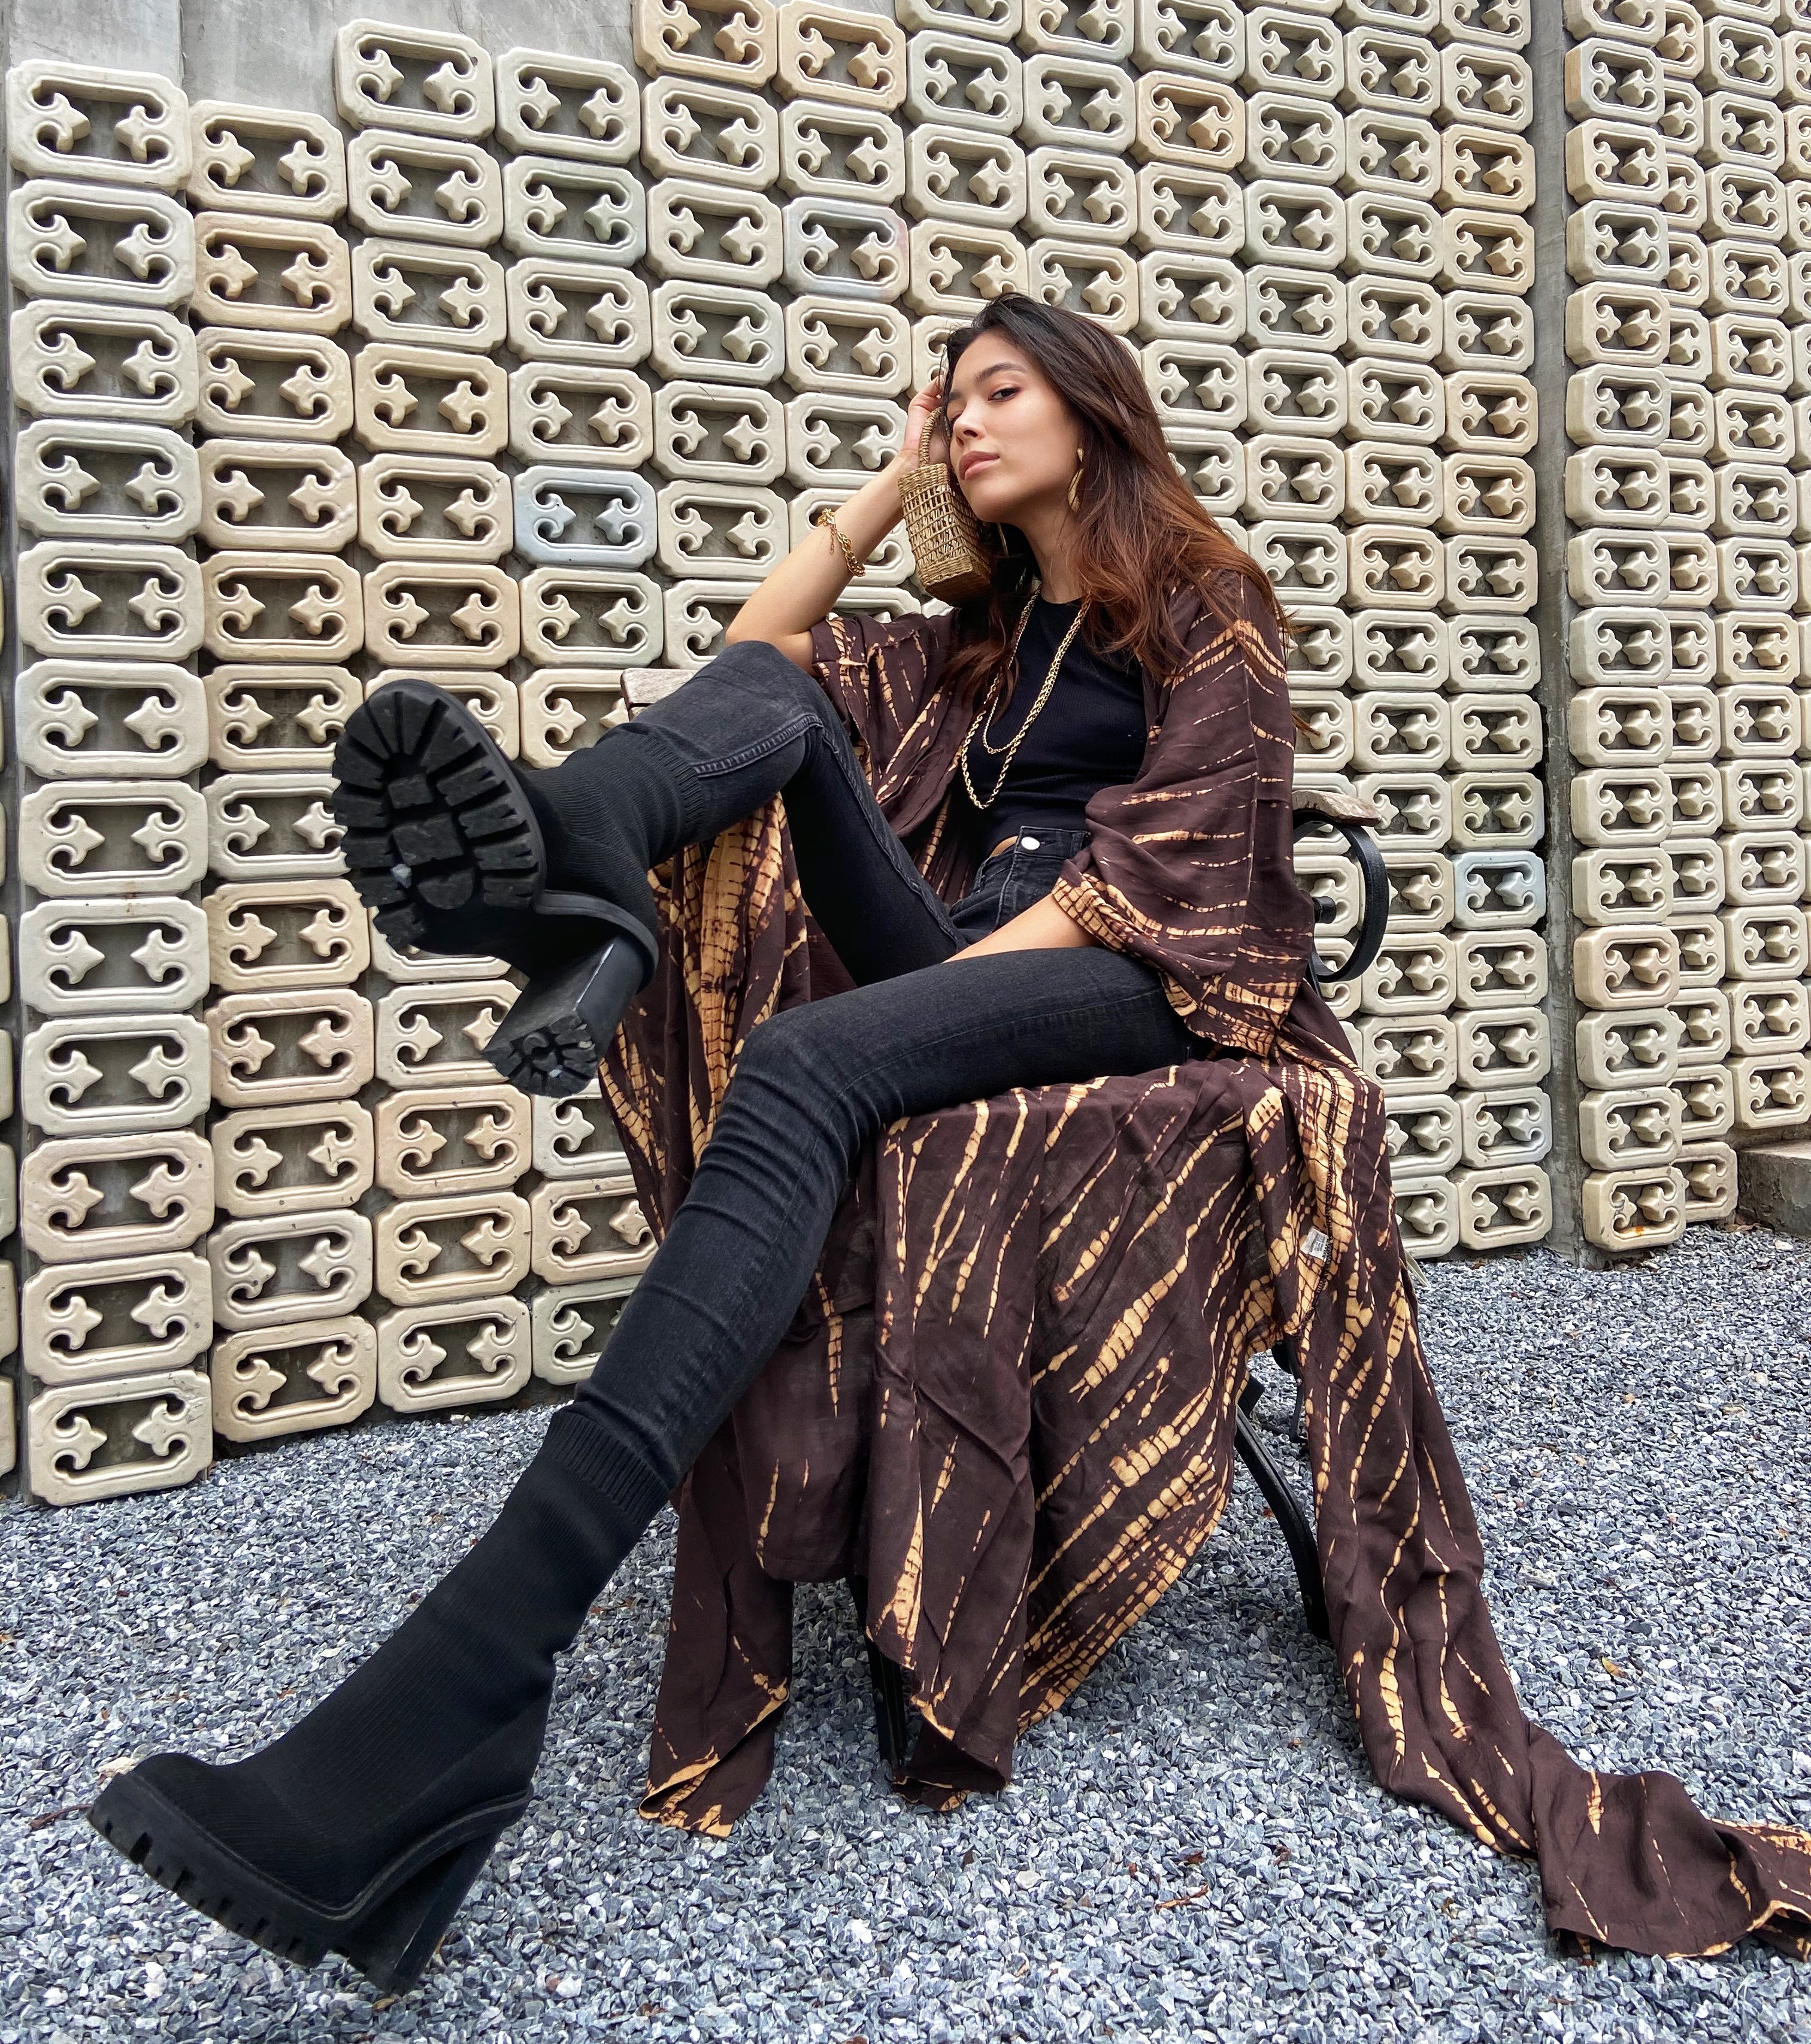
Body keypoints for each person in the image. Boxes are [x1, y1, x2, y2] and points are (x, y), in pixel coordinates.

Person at [85, 296, 1325, 1990]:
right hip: (969, 947)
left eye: (996, 396)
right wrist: (891, 496)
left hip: (1132, 971)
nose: (964, 424)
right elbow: (764, 641)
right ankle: (578, 856)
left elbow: (1192, 864)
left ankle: (469, 1676)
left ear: (1093, 411)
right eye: (946, 404)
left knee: (810, 1063)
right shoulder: (993, 625)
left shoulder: (1204, 596)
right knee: (780, 692)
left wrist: (956, 981)